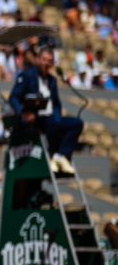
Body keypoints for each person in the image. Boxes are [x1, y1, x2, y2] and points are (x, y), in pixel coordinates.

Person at [10, 46, 83, 175]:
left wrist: (57, 117)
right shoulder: (27, 76)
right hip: (35, 119)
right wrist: (23, 113)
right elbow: (14, 97)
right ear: (38, 59)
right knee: (55, 125)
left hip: (50, 119)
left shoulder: (52, 80)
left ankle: (60, 156)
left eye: (49, 61)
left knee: (77, 123)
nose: (46, 63)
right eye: (44, 60)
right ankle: (56, 156)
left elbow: (56, 103)